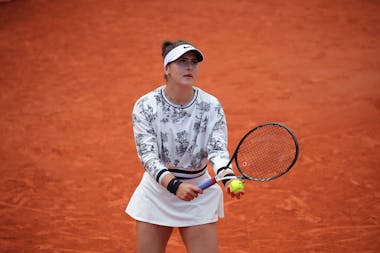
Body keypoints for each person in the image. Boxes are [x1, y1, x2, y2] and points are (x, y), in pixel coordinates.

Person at [126, 40, 243, 253]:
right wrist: (175, 185)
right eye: (181, 62)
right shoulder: (145, 106)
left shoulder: (211, 106)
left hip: (198, 192)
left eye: (193, 62)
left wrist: (227, 177)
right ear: (167, 68)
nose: (189, 66)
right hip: (158, 192)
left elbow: (217, 150)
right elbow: (148, 156)